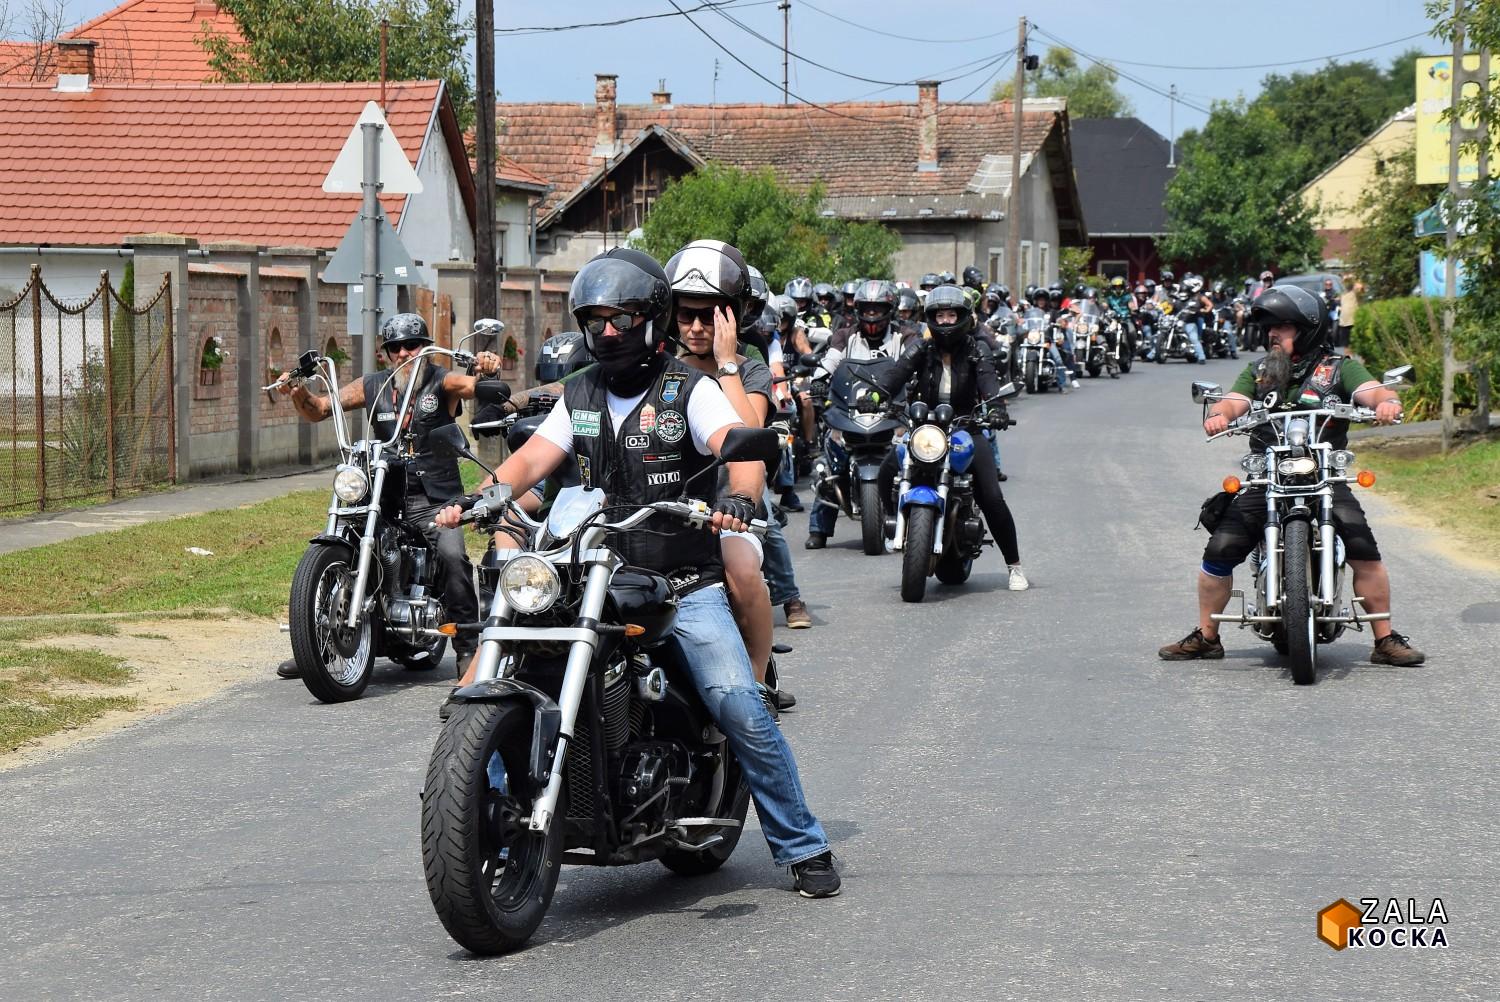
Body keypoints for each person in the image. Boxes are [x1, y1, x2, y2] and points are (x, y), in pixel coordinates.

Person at [438, 247, 841, 897]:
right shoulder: (584, 392)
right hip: (591, 570)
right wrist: (484, 497)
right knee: (493, 669)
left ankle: (802, 843)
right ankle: (482, 820)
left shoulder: (692, 390)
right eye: (595, 319)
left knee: (739, 703)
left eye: (621, 317)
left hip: (684, 583)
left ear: (651, 321)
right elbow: (536, 458)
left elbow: (735, 448)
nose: (607, 332)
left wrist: (738, 494)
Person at [1159, 285, 1425, 667]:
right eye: (1270, 328)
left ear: (1307, 329)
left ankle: (1384, 638)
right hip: (1268, 477)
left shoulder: (1339, 367)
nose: (1273, 335)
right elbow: (1237, 400)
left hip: (1324, 476)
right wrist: (1221, 413)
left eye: (1282, 327)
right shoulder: (1261, 371)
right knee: (1218, 551)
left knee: (1364, 551)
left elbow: (1370, 391)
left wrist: (1388, 402)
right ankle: (1207, 636)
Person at [272, 313, 503, 677]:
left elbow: (473, 385)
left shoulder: (442, 382)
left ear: (425, 349)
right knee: (345, 541)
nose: (403, 353)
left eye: (412, 346)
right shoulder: (373, 385)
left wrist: (487, 367)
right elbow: (320, 409)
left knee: (452, 555)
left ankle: (468, 647)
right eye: (395, 348)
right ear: (385, 354)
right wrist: (298, 391)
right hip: (385, 495)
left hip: (434, 499)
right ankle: (316, 646)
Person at [667, 240, 812, 711]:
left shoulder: (749, 370)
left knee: (744, 572)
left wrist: (727, 362)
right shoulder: (662, 370)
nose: (694, 327)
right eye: (686, 315)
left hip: (729, 502)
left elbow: (748, 433)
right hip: (665, 501)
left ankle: (755, 676)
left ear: (732, 316)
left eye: (708, 317)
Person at [876, 285, 1028, 590]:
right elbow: (897, 373)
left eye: (951, 315)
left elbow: (988, 381)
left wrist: (995, 408)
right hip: (926, 429)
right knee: (887, 471)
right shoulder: (921, 347)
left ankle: (1014, 566)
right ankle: (896, 522)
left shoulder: (976, 349)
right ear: (931, 318)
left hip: (965, 428)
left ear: (963, 317)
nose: (945, 321)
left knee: (991, 495)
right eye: (939, 315)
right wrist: (873, 394)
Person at [805, 280, 906, 549]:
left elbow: (912, 364)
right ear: (858, 309)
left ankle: (913, 521)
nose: (872, 316)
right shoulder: (845, 336)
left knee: (910, 458)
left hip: (891, 410)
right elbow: (831, 360)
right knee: (832, 458)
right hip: (850, 410)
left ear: (890, 309)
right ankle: (819, 529)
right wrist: (818, 379)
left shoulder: (902, 337)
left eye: (878, 309)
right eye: (867, 309)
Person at [1338, 279, 1362, 349]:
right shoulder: (1342, 294)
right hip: (1344, 322)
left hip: (1353, 321)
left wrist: (1352, 279)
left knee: (1356, 343)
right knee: (1346, 344)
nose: (1345, 285)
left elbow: (1360, 286)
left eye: (1347, 283)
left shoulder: (1354, 292)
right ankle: (1349, 358)